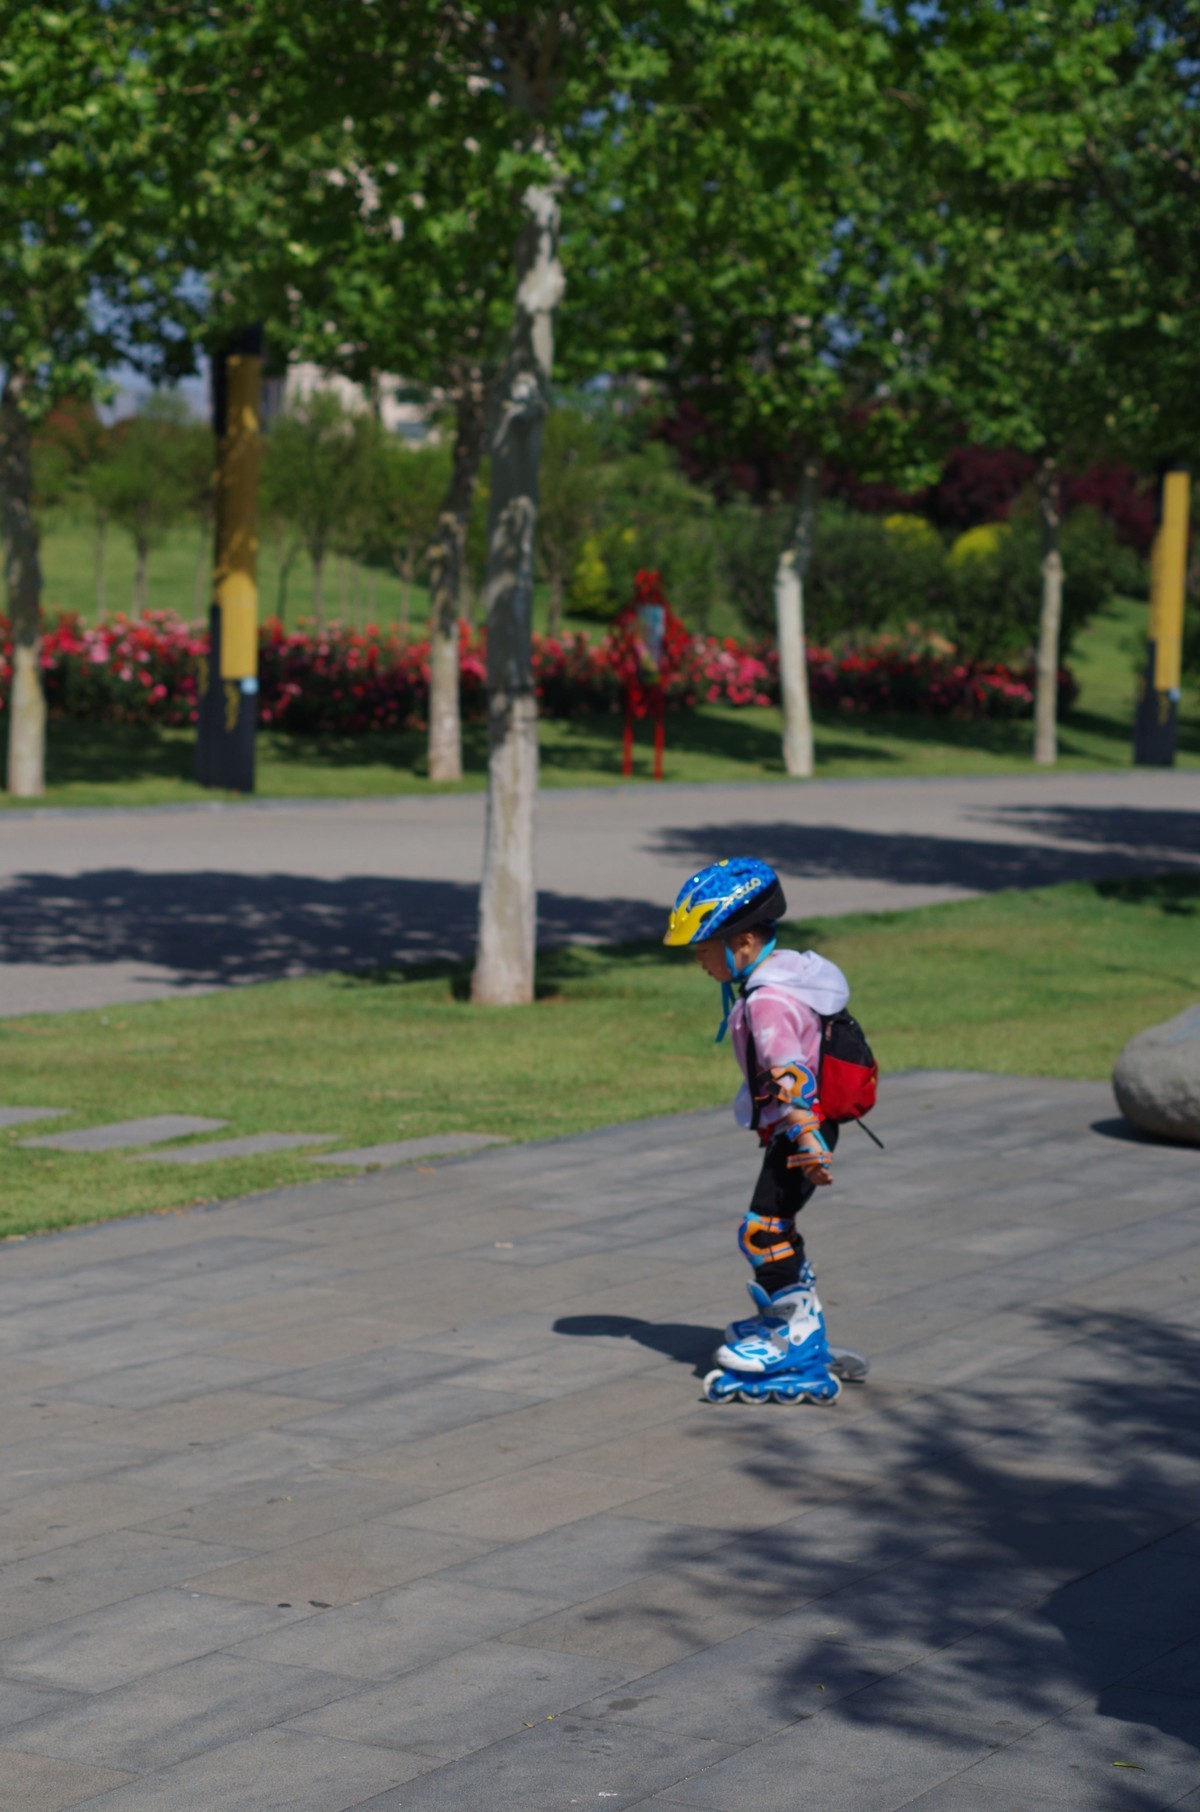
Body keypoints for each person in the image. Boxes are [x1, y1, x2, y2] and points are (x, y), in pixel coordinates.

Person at [663, 855, 869, 1404]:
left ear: (745, 943)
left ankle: (793, 1340)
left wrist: (806, 1143)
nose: (701, 962)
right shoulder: (791, 977)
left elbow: (790, 1074)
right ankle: (793, 1324)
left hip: (803, 1133)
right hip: (809, 1130)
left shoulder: (768, 1001)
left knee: (763, 1232)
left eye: (705, 950)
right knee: (774, 1228)